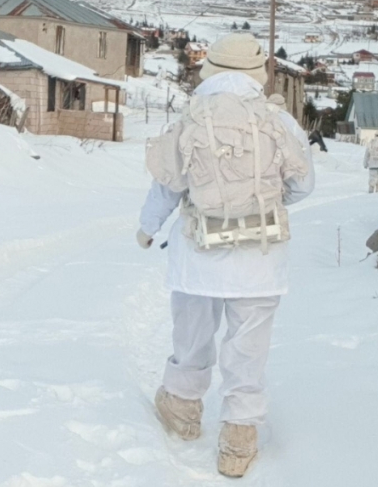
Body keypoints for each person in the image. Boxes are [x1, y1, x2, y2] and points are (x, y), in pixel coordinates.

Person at [136, 33, 314, 478]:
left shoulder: (192, 117)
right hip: (261, 257)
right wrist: (265, 204)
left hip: (198, 251)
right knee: (248, 346)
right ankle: (238, 437)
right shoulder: (278, 119)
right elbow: (304, 183)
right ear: (258, 72)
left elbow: (168, 185)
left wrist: (147, 227)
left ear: (210, 69)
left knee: (192, 334)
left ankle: (182, 407)